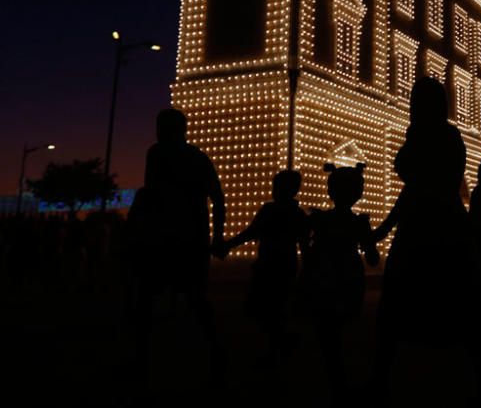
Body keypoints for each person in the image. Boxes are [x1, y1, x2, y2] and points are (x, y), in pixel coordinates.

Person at [372, 76, 481, 393]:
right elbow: (412, 186)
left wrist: (383, 229)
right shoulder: (448, 137)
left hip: (425, 231)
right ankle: (478, 380)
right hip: (445, 229)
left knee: (397, 309)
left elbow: (412, 184)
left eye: (415, 100)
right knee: (459, 310)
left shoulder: (428, 136)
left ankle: (383, 381)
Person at [127, 108, 227, 383]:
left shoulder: (157, 153)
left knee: (149, 298)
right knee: (194, 299)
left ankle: (141, 359)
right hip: (190, 239)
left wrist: (137, 230)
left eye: (162, 126)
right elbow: (217, 198)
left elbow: (151, 195)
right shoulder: (196, 157)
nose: (159, 131)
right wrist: (216, 237)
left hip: (164, 239)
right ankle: (214, 350)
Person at [302, 162, 379, 390]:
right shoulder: (359, 223)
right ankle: (340, 379)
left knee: (326, 328)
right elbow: (373, 258)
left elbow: (305, 245)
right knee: (343, 327)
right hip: (348, 278)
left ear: (330, 191)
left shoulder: (319, 220)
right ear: (358, 193)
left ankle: (331, 375)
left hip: (323, 276)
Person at [224, 169, 309, 366]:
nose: (274, 191)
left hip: (271, 265)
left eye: (277, 187)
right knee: (272, 308)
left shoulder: (270, 210)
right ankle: (281, 343)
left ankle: (278, 346)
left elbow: (251, 232)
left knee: (263, 307)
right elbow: (304, 246)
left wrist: (228, 245)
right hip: (285, 265)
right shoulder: (298, 214)